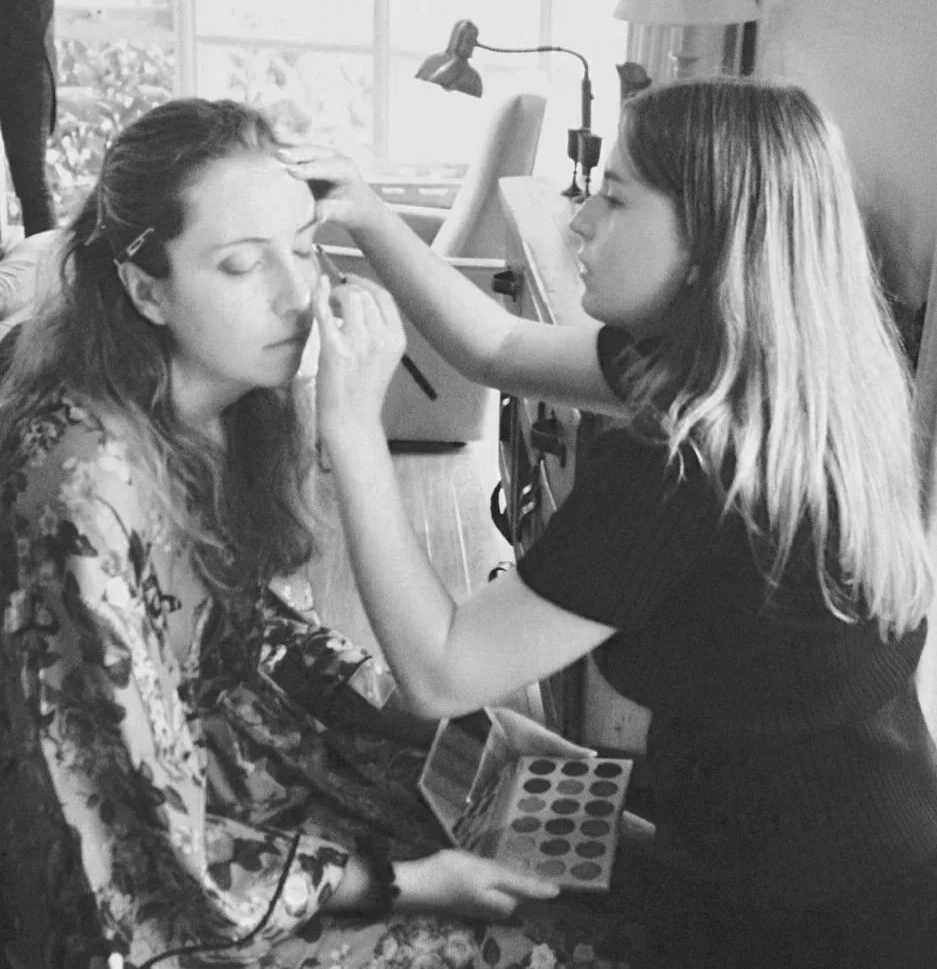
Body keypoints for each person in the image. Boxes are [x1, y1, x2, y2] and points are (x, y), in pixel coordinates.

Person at [284, 77, 937, 966]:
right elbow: (498, 347)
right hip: (861, 832)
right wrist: (363, 212)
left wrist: (352, 430)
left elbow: (442, 671)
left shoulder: (683, 461)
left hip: (809, 916)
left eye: (615, 196)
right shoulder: (778, 369)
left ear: (710, 241)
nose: (577, 221)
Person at [0, 98, 633, 969]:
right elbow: (137, 827)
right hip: (127, 858)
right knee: (540, 941)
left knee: (569, 872)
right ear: (145, 289)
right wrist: (404, 881)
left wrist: (463, 737)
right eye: (238, 266)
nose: (297, 295)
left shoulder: (229, 400)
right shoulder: (83, 484)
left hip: (220, 757)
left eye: (304, 248)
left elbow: (251, 627)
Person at [0, 0, 57, 239]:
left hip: (28, 63)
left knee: (32, 183)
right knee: (33, 184)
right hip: (28, 62)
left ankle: (46, 269)